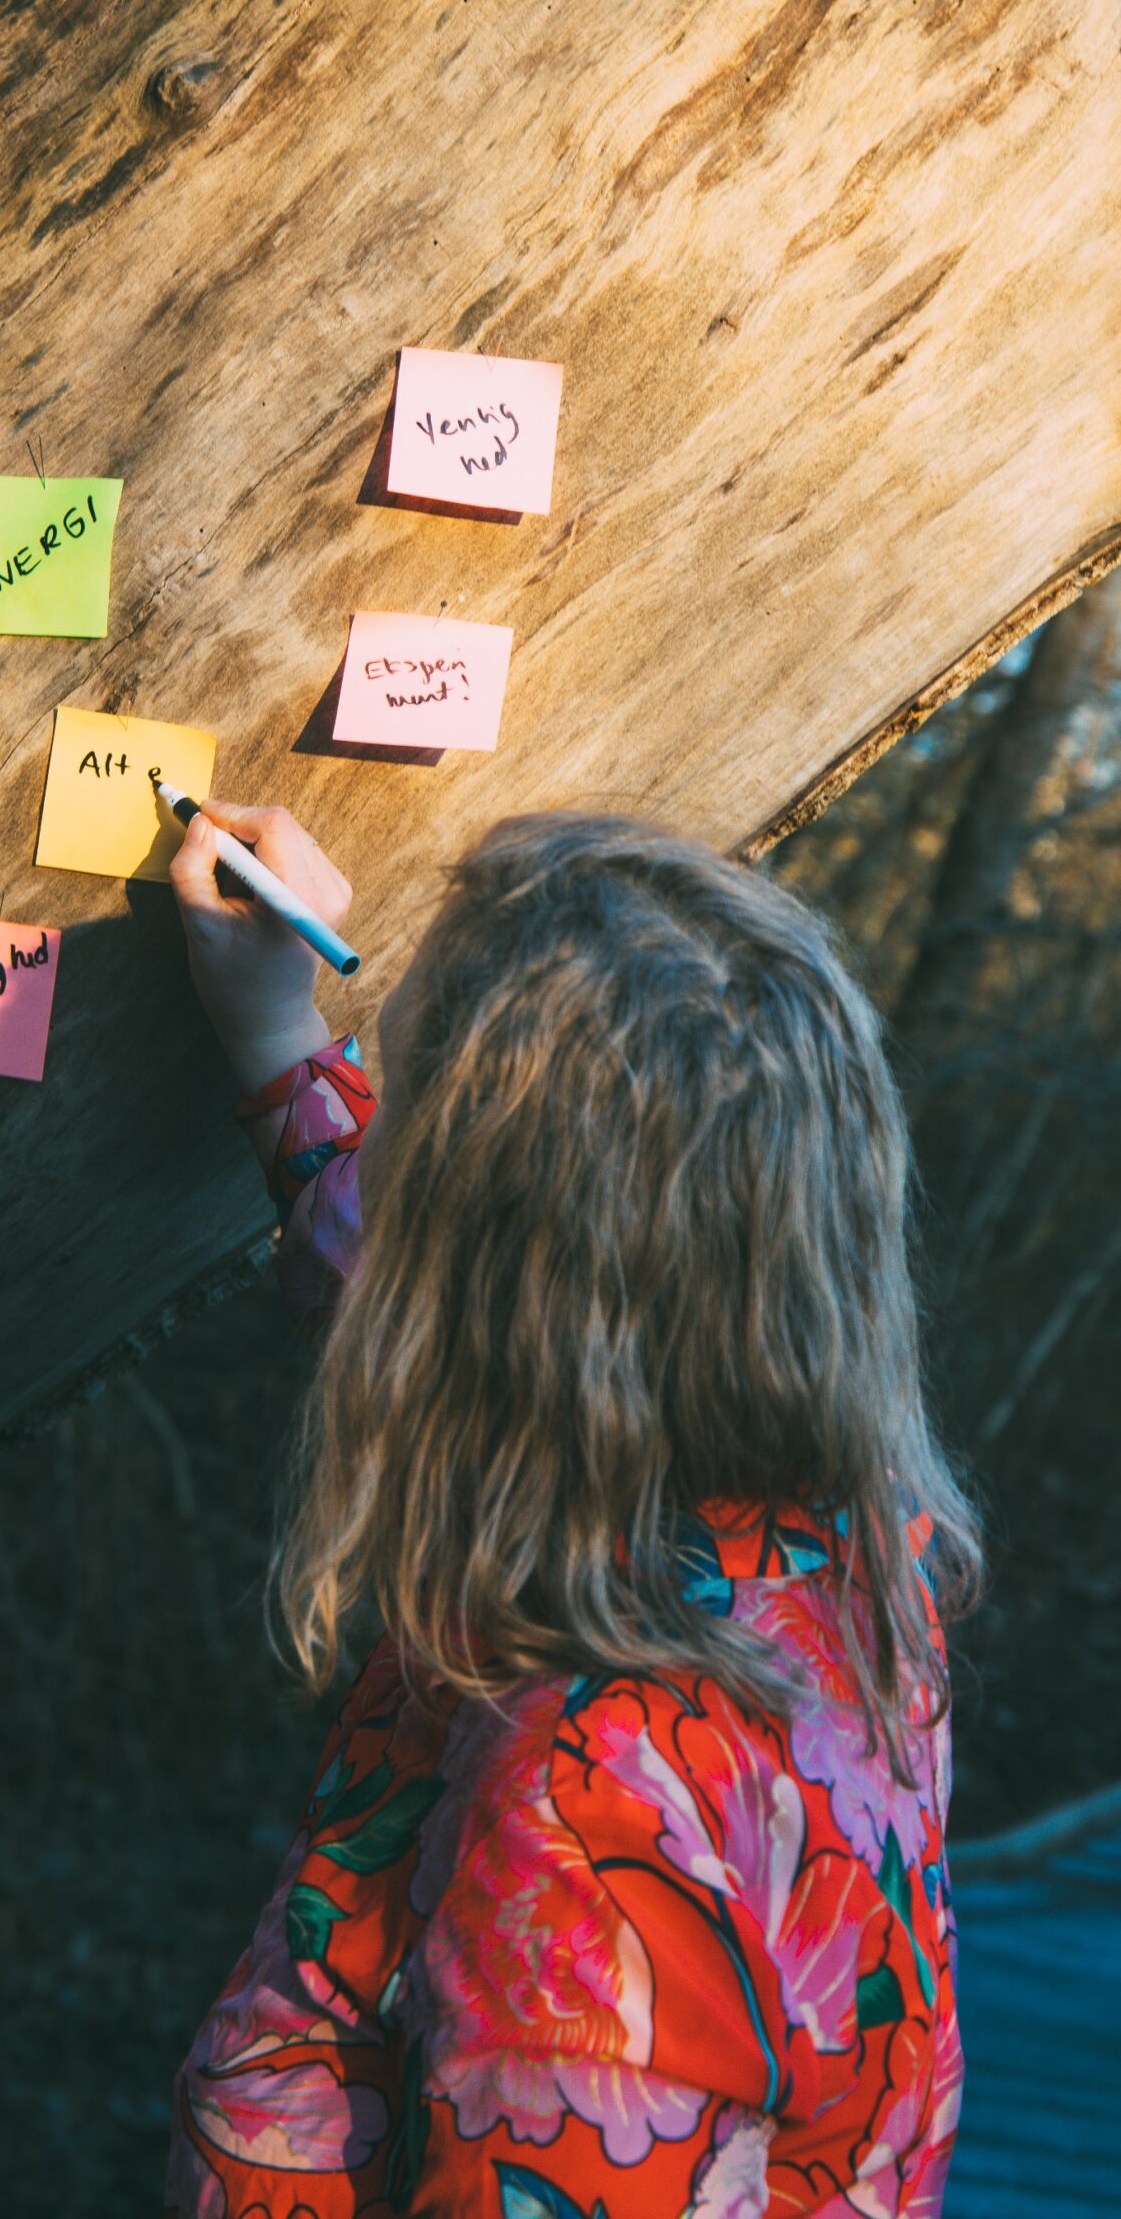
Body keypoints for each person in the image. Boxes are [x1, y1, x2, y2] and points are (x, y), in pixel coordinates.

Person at [160, 801, 981, 2219]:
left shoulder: (590, 1834)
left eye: (401, 1109)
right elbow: (411, 1286)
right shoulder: (841, 1544)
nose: (384, 1176)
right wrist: (279, 1041)